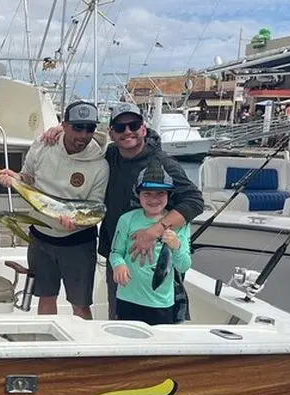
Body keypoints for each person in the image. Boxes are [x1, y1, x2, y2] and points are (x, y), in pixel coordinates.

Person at [38, 102, 203, 321]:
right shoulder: (110, 154)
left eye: (133, 125)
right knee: (118, 316)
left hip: (157, 258)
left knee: (161, 320)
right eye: (120, 127)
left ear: (143, 129)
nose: (127, 131)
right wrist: (60, 130)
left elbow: (194, 201)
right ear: (112, 133)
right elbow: (85, 141)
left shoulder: (163, 163)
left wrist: (154, 231)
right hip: (119, 256)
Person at [0, 101, 109, 319]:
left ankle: (83, 341)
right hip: (41, 238)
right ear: (64, 125)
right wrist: (14, 179)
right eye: (77, 127)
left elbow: (95, 207)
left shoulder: (100, 165)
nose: (83, 135)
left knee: (80, 305)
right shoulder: (43, 144)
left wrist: (79, 223)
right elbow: (27, 177)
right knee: (46, 298)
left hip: (78, 243)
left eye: (89, 128)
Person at [110, 159, 192, 325]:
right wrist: (119, 265)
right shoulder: (126, 220)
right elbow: (115, 252)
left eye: (160, 193)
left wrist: (176, 246)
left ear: (168, 195)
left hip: (161, 302)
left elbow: (183, 266)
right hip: (127, 297)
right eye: (147, 193)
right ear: (138, 195)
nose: (154, 199)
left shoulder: (180, 224)